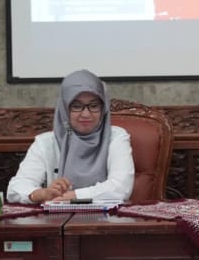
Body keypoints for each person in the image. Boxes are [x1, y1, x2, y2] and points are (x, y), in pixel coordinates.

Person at [7, 69, 135, 205]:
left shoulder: (115, 137)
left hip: (106, 217)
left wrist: (73, 196)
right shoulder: (46, 143)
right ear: (64, 109)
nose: (86, 114)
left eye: (94, 106)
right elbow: (15, 189)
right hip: (56, 217)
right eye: (76, 106)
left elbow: (121, 187)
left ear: (103, 108)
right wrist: (41, 193)